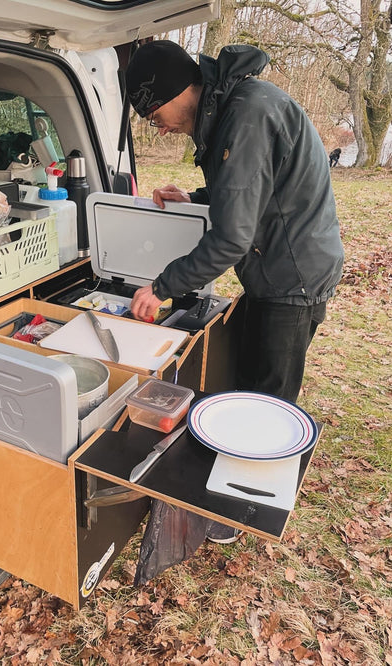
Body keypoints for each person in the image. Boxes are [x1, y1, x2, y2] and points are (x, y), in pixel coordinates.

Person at [125, 41, 344, 544]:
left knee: (270, 399)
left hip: (292, 277)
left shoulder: (245, 117)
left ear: (181, 90)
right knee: (248, 379)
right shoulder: (236, 108)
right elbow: (247, 193)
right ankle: (237, 482)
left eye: (155, 112)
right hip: (277, 267)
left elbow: (231, 237)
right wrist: (196, 197)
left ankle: (244, 507)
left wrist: (161, 288)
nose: (159, 126)